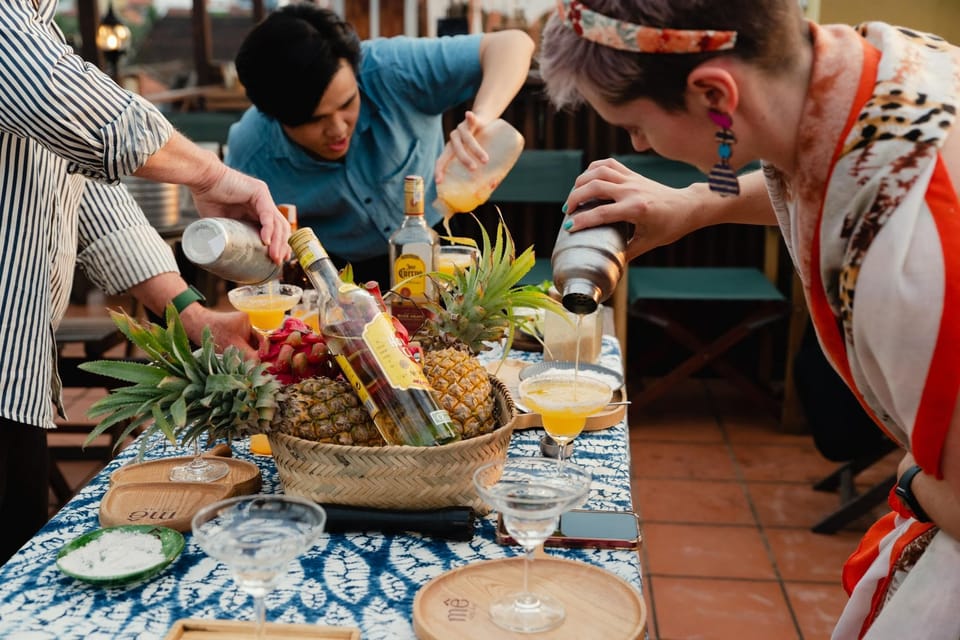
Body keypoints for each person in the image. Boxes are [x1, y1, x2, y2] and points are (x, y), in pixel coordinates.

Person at [538, 1, 960, 637]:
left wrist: (912, 478)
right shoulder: (872, 69)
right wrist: (694, 206)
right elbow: (826, 168)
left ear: (714, 94)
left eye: (634, 125)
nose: (638, 145)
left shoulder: (911, 252)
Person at [0, 0, 290, 564]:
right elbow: (50, 92)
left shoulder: (38, 20)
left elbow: (83, 187)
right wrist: (212, 173)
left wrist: (189, 311)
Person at [226, 3, 534, 285]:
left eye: (347, 103)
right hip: (341, 280)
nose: (337, 129)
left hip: (447, 246)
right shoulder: (251, 151)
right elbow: (247, 258)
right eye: (314, 120)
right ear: (274, 116)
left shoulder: (391, 69)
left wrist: (479, 119)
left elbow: (512, 44)